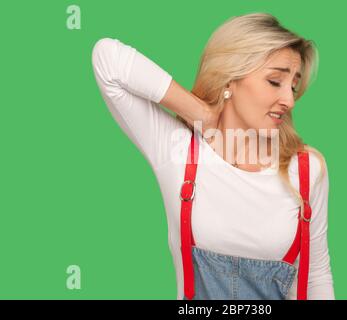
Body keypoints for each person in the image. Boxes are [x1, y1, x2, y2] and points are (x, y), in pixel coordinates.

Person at [91, 12, 334, 300]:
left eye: (293, 86)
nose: (289, 100)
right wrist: (202, 114)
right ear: (230, 79)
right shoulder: (179, 152)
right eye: (274, 81)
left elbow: (316, 276)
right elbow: (108, 59)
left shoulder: (306, 171)